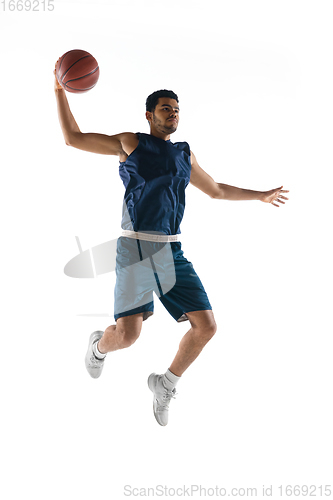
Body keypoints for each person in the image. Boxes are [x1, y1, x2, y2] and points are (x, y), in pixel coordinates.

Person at [54, 64, 289, 426]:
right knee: (128, 337)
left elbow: (217, 190)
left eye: (177, 109)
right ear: (149, 115)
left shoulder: (183, 153)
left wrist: (260, 196)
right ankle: (99, 346)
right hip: (134, 250)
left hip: (171, 252)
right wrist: (59, 90)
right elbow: (73, 138)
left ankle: (165, 384)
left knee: (206, 327)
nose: (173, 113)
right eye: (165, 108)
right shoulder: (129, 142)